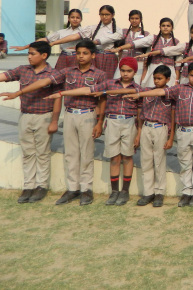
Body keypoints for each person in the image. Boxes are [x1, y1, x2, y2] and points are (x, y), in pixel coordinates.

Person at [1, 39, 107, 206]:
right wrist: (19, 93)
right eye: (78, 53)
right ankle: (72, 189)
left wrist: (100, 122)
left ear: (93, 55)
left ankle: (86, 189)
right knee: (71, 154)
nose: (81, 56)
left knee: (86, 153)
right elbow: (43, 82)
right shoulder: (67, 71)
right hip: (70, 114)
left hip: (87, 115)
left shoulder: (100, 74)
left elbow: (103, 100)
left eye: (85, 53)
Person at [48, 56, 142, 206]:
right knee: (114, 157)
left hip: (129, 122)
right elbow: (88, 89)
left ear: (135, 72)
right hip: (112, 121)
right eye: (123, 70)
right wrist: (63, 93)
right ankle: (114, 192)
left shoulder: (138, 88)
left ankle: (125, 191)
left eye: (129, 71)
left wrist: (139, 132)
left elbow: (139, 110)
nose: (125, 74)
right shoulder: (110, 83)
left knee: (127, 157)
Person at [127, 62, 193, 207]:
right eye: (192, 75)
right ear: (187, 75)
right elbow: (160, 92)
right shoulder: (180, 89)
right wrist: (139, 94)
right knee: (185, 162)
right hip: (183, 131)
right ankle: (186, 192)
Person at [98, 64, 175, 208]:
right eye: (155, 78)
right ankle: (148, 193)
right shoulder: (147, 90)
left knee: (159, 161)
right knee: (146, 161)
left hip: (161, 128)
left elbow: (173, 116)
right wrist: (105, 91)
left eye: (160, 78)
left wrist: (171, 137)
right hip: (146, 127)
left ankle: (159, 193)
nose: (156, 81)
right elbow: (130, 90)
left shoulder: (171, 93)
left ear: (168, 79)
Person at [0, 42, 62, 203]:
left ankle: (41, 186)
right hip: (25, 116)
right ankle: (28, 186)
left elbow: (58, 99)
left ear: (44, 55)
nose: (29, 56)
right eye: (28, 53)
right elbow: (5, 76)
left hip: (44, 116)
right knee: (28, 152)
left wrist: (54, 121)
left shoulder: (53, 74)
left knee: (42, 153)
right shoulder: (23, 70)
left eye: (32, 53)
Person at [48, 5, 122, 76]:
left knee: (108, 79)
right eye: (102, 14)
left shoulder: (118, 30)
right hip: (96, 56)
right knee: (93, 78)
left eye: (107, 14)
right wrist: (54, 43)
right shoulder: (92, 28)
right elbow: (74, 36)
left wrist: (88, 44)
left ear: (113, 15)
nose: (104, 17)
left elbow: (105, 39)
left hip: (109, 57)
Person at [11, 9, 83, 70]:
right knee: (59, 77)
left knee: (76, 76)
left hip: (76, 56)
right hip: (63, 56)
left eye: (77, 18)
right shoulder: (62, 32)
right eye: (72, 17)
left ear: (81, 19)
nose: (75, 19)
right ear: (68, 18)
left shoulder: (84, 32)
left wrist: (54, 43)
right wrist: (24, 47)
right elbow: (45, 40)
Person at [131, 18, 180, 87]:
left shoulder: (176, 42)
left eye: (168, 26)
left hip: (169, 69)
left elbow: (178, 63)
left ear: (172, 28)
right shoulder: (154, 38)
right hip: (154, 68)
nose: (165, 28)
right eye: (163, 25)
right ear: (160, 27)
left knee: (167, 89)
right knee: (152, 88)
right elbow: (139, 44)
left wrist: (176, 80)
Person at [106, 10, 149, 83]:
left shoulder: (146, 34)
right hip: (124, 62)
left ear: (140, 19)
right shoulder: (124, 32)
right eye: (132, 18)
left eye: (136, 18)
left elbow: (147, 52)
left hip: (138, 63)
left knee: (136, 83)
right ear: (129, 19)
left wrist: (145, 68)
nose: (134, 20)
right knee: (119, 82)